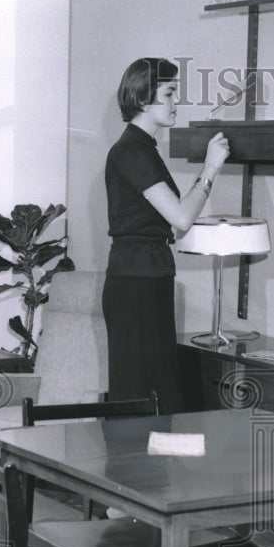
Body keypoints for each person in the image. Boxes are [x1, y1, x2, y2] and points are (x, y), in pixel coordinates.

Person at [102, 57, 229, 413]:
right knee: (144, 391)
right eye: (170, 93)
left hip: (145, 275)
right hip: (136, 282)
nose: (177, 102)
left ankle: (150, 467)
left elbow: (172, 221)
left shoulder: (141, 149)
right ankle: (132, 468)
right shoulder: (131, 151)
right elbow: (181, 217)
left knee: (154, 389)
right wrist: (211, 167)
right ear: (143, 97)